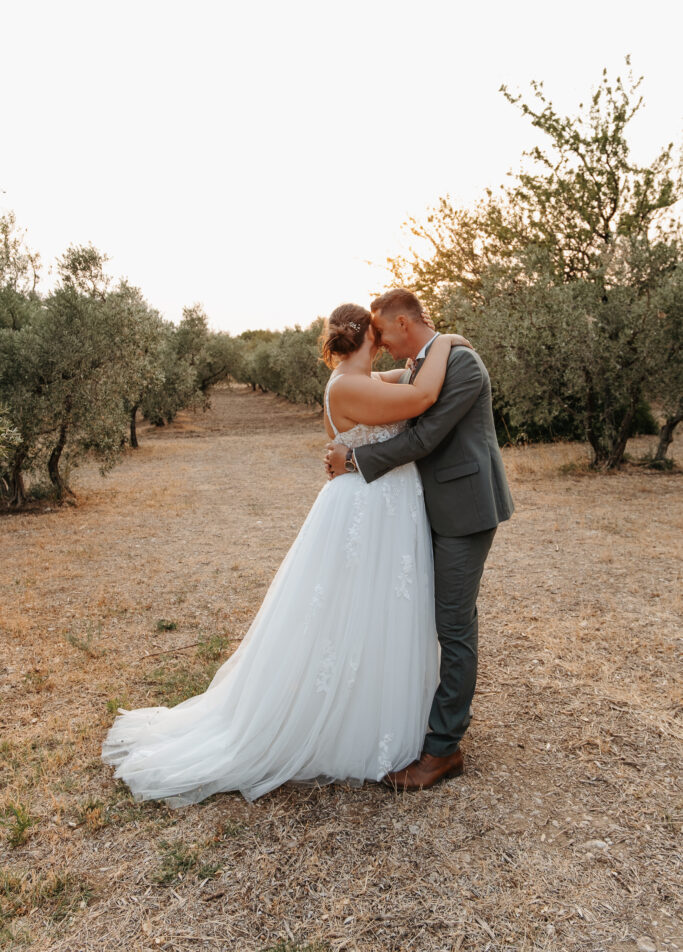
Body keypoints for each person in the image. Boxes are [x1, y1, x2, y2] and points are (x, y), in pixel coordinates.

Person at [101, 303, 469, 806]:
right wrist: (446, 341)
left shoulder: (357, 376)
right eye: (378, 334)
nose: (384, 342)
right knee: (350, 613)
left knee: (374, 611)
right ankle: (341, 722)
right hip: (369, 509)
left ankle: (377, 711)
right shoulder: (347, 386)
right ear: (368, 337)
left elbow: (405, 374)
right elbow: (423, 395)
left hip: (382, 507)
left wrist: (424, 352)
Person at [326, 288, 514, 791]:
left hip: (465, 511)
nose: (382, 343)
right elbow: (379, 392)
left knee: (453, 624)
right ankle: (421, 720)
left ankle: (443, 749)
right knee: (425, 618)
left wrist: (356, 460)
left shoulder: (463, 365)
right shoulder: (419, 365)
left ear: (404, 324)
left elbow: (425, 436)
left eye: (384, 332)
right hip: (427, 509)